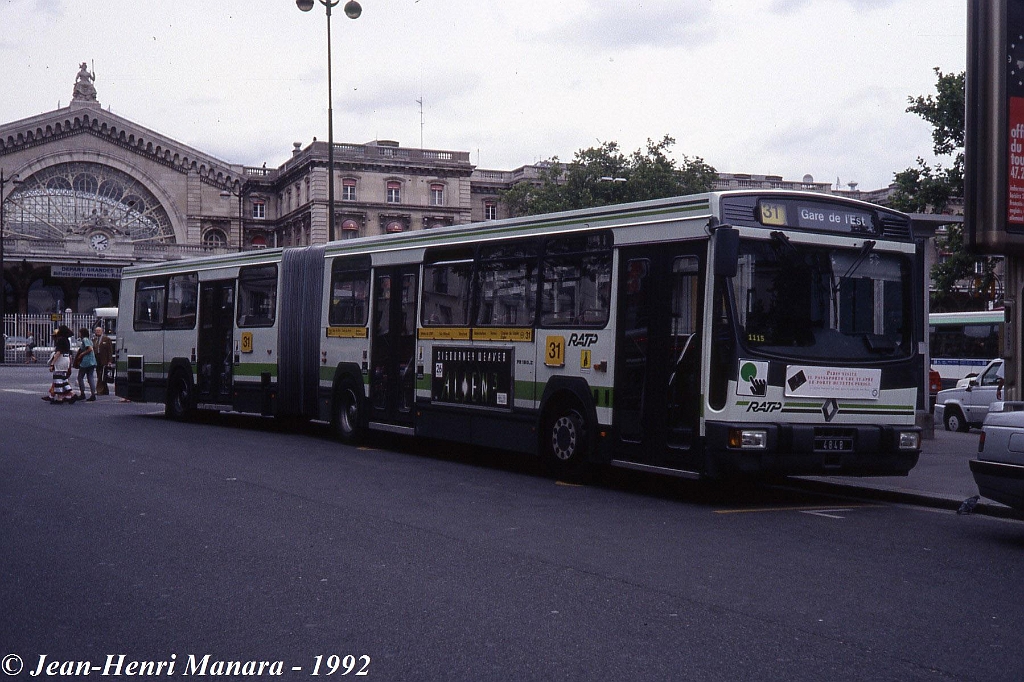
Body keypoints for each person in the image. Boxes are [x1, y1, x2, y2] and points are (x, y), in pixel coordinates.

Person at [74, 327, 98, 402]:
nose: (79, 334)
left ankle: (82, 393)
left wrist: (81, 355)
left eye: (79, 332)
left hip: (86, 361)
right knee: (90, 377)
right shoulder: (90, 340)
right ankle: (93, 394)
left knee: (80, 377)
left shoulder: (85, 340)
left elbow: (90, 349)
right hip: (92, 361)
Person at [93, 326, 114, 395]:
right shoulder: (94, 339)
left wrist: (110, 361)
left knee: (101, 375)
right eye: (96, 331)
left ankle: (100, 390)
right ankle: (105, 390)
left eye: (99, 331)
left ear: (102, 331)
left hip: (104, 359)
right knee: (100, 374)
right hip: (97, 359)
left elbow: (110, 350)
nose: (97, 332)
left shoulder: (106, 339)